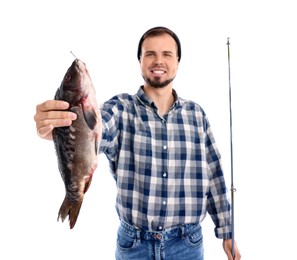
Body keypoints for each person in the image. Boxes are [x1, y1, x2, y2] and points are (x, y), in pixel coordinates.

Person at [34, 26, 241, 260]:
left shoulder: (197, 114)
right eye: (150, 54)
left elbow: (213, 174)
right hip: (134, 246)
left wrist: (227, 231)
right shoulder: (120, 109)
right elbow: (94, 133)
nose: (158, 60)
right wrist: (57, 129)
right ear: (140, 60)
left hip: (188, 244)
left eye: (167, 54)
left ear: (178, 61)